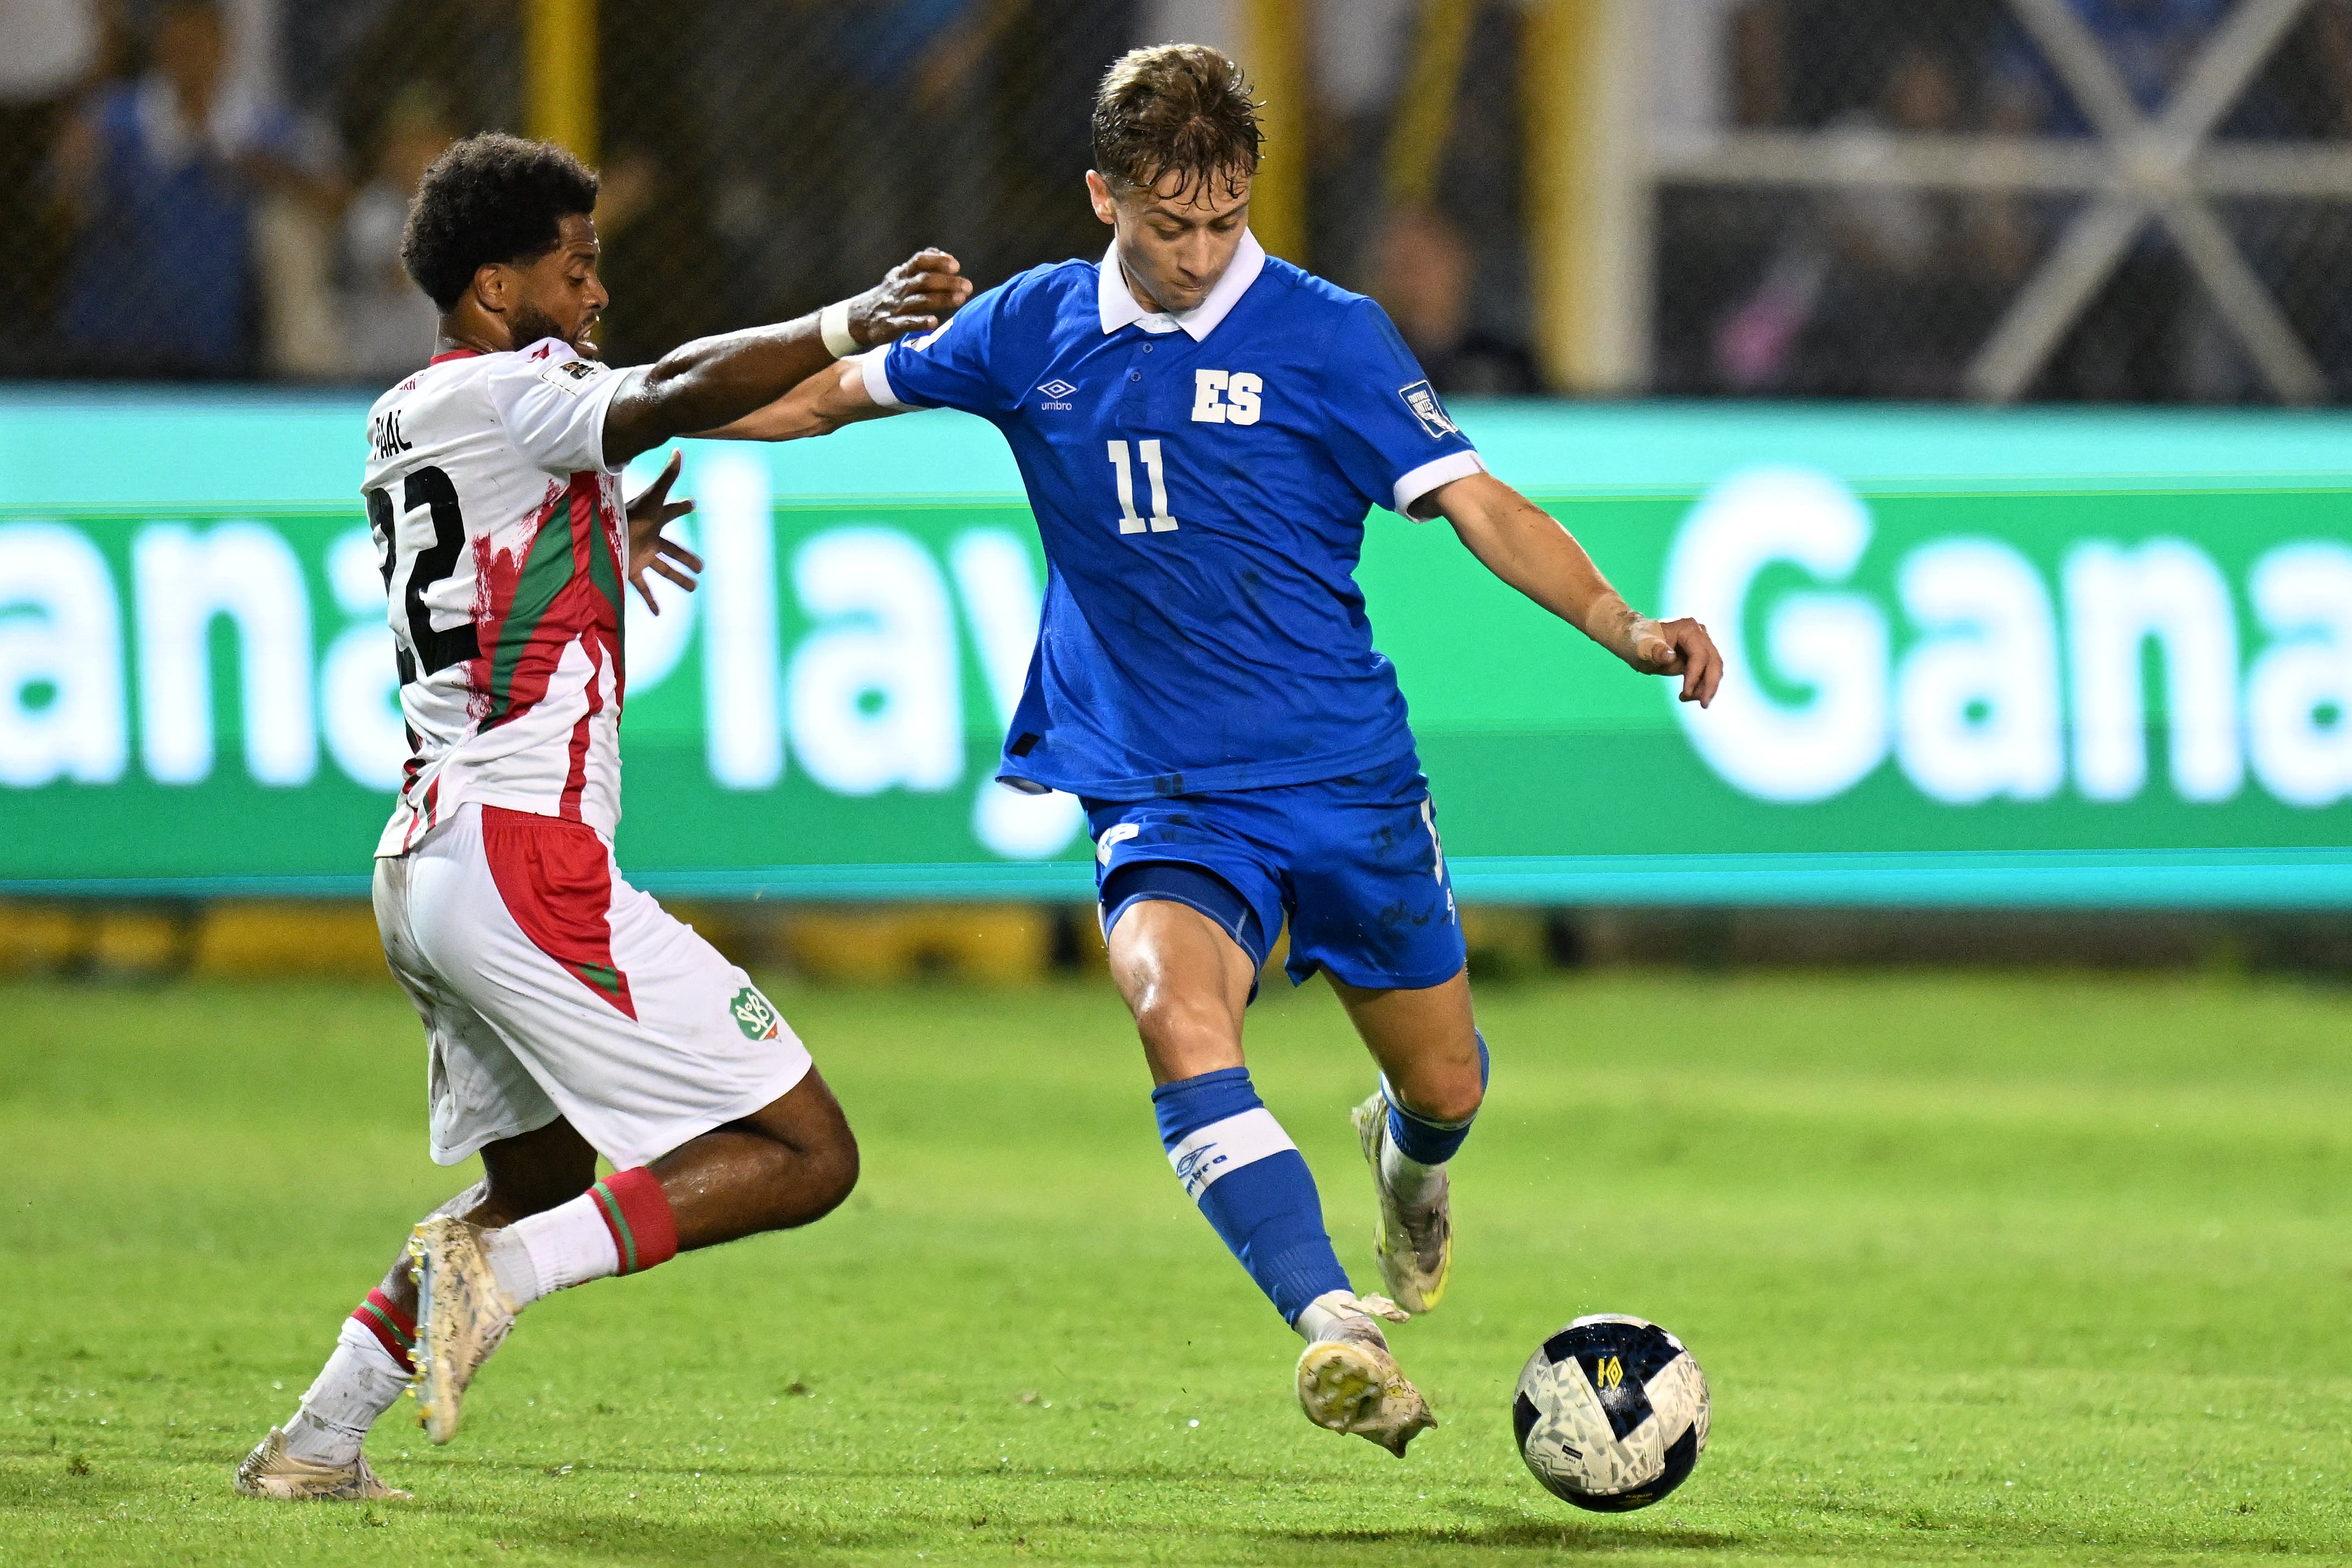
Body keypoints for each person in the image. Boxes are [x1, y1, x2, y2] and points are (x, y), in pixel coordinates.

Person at [715, 45, 1721, 1457]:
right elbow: (822, 396)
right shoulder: (1028, 328)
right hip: (1158, 786)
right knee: (1170, 1008)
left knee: (1446, 1087)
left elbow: (1476, 503)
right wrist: (614, 421)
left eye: (1224, 218)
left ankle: (1408, 1164)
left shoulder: (1328, 335)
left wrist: (1619, 625)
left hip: (1341, 780)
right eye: (1167, 223)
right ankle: (1333, 1329)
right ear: (1102, 196)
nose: (1197, 253)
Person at [233, 132, 971, 1502]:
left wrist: (595, 536)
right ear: (499, 290)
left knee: (535, 1176)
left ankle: (315, 1445)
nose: (597, 295)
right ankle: (500, 1280)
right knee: (806, 1154)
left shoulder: (410, 410)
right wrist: (847, 317)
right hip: (521, 860)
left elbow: (507, 534)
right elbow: (685, 391)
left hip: (423, 867)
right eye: (576, 271)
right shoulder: (524, 387)